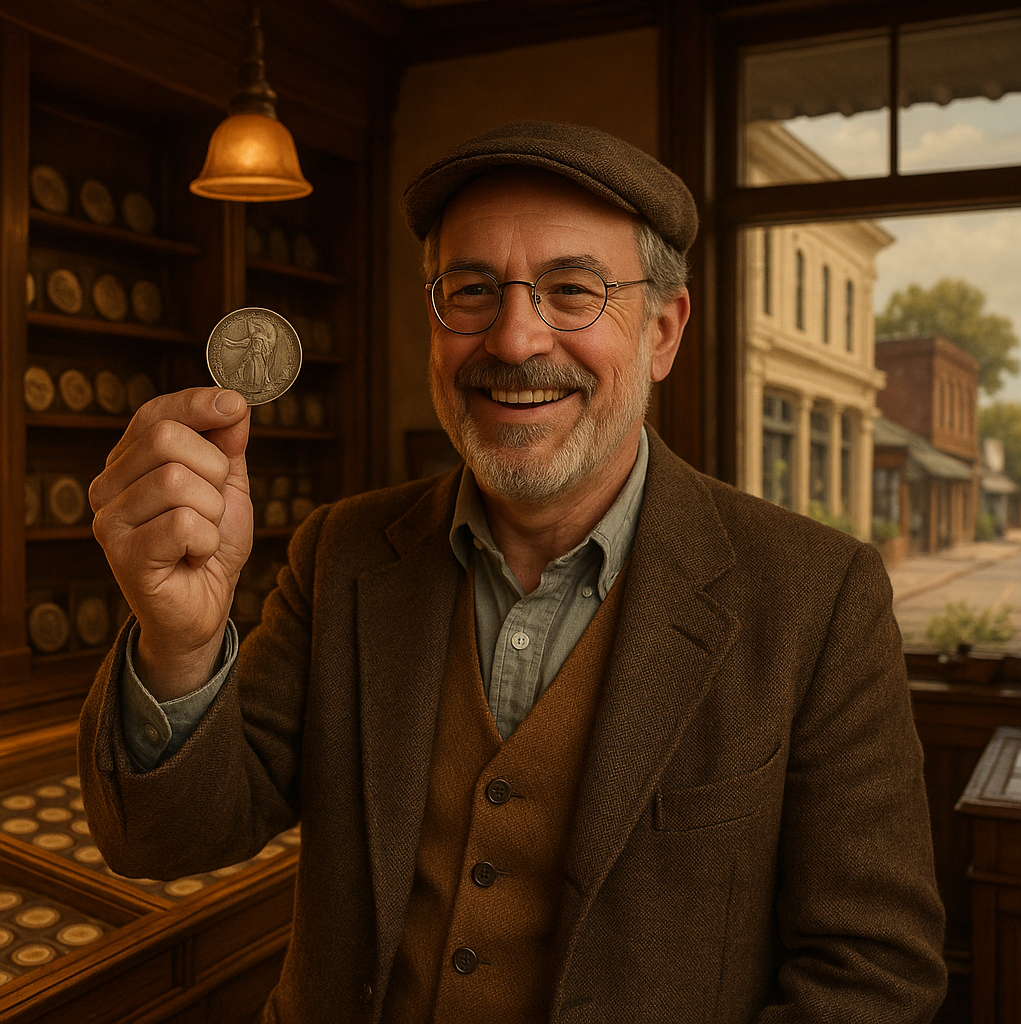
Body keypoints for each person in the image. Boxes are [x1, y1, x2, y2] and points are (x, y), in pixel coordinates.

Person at [80, 121, 947, 1023]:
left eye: (572, 290)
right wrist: (179, 641)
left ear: (662, 331)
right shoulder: (340, 554)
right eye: (472, 290)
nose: (515, 338)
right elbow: (167, 837)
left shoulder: (819, 596)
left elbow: (873, 975)